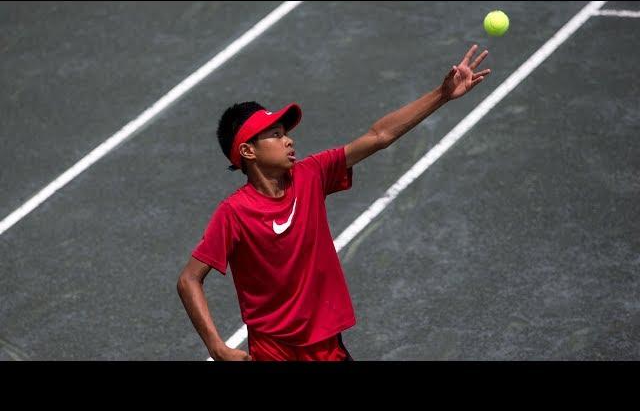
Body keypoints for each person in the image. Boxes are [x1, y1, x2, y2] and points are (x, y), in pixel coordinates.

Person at [177, 44, 490, 361]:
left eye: (285, 133)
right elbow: (189, 279)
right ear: (248, 152)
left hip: (325, 346)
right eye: (274, 134)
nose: (288, 140)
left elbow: (378, 136)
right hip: (273, 351)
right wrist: (217, 347)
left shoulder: (311, 174)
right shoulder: (234, 213)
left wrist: (442, 94)